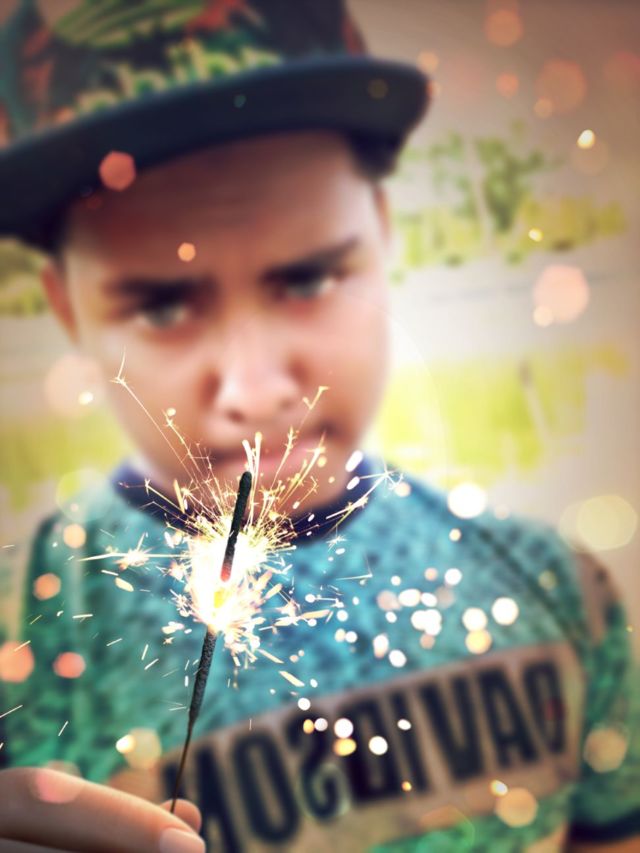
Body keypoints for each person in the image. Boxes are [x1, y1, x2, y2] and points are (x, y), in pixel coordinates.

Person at [0, 2, 638, 851]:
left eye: (306, 281)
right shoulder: (20, 633)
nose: (255, 390)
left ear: (382, 233)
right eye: (161, 306)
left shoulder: (553, 584)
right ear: (65, 309)